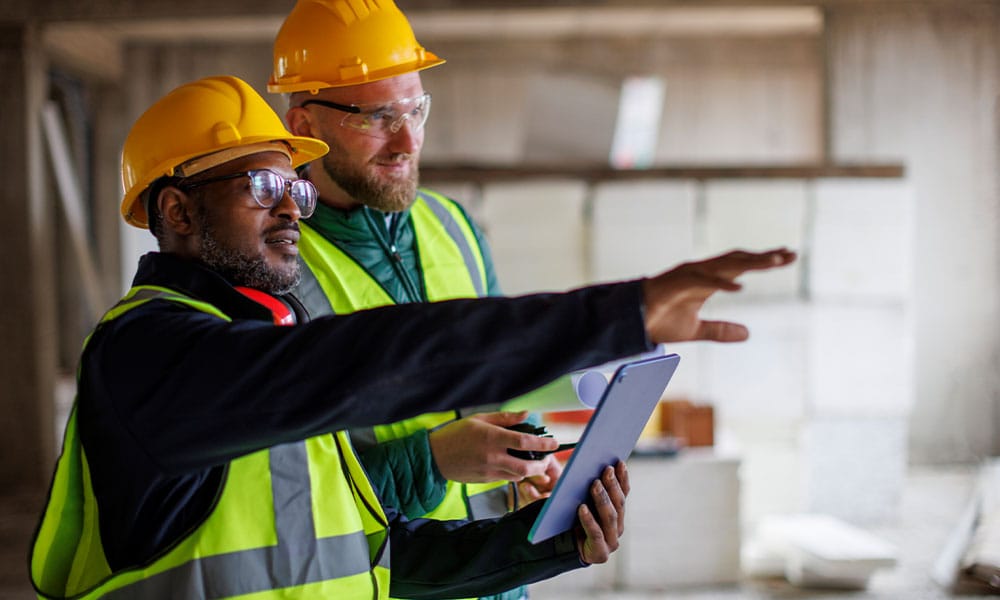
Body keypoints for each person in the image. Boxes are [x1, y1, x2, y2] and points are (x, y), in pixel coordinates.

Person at [29, 75, 795, 600]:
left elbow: (376, 562)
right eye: (262, 187)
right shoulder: (151, 356)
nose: (293, 209)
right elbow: (376, 358)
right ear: (178, 213)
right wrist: (614, 316)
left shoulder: (261, 346)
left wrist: (554, 540)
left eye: (295, 187)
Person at [267, 5, 569, 584]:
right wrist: (430, 461)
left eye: (415, 109)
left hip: (496, 572)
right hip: (385, 581)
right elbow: (281, 492)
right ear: (304, 125)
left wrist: (529, 455)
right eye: (377, 116)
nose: (407, 139)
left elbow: (506, 374)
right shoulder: (271, 270)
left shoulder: (453, 225)